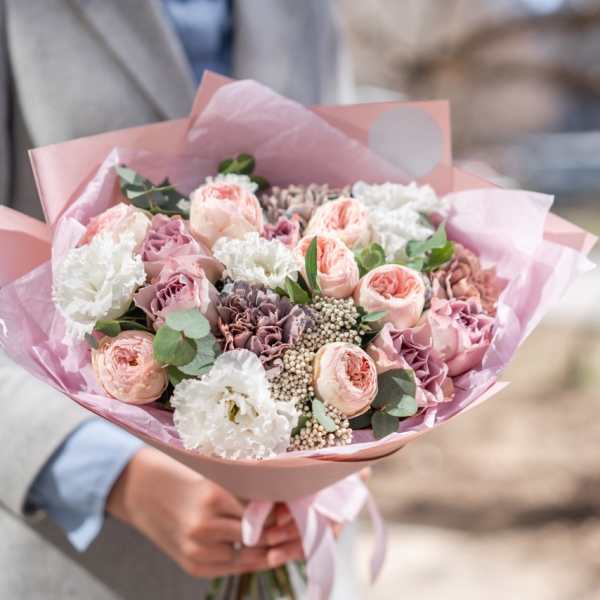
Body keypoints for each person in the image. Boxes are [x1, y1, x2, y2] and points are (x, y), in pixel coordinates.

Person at [0, 1, 352, 598]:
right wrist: (118, 479)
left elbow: (338, 200)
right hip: (93, 557)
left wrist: (333, 456)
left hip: (301, 539)